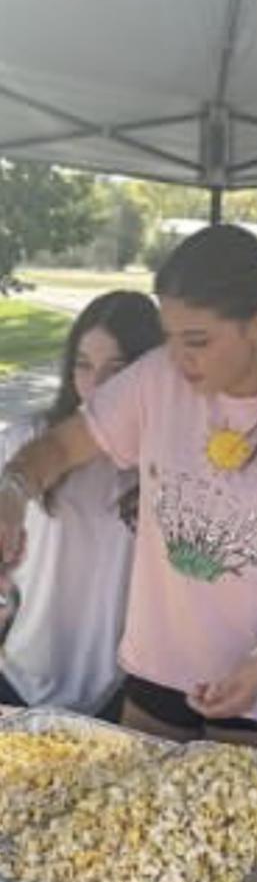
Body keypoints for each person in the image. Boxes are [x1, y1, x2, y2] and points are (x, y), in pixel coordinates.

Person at [0, 225, 257, 759]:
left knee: (243, 813)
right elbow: (57, 447)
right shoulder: (155, 380)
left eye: (197, 342)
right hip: (155, 673)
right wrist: (13, 491)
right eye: (169, 336)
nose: (178, 358)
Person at [0, 291, 163, 719]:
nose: (95, 386)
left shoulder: (161, 462)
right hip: (17, 677)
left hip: (119, 688)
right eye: (84, 365)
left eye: (117, 370)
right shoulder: (25, 442)